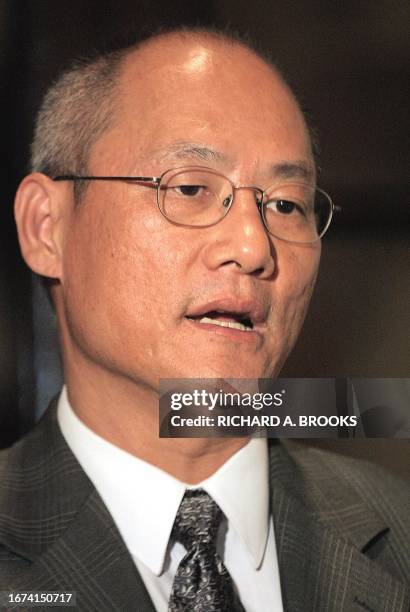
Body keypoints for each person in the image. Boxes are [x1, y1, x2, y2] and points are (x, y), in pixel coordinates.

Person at [0, 27, 409, 612]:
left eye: (286, 205)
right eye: (190, 188)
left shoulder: (398, 533)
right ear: (47, 226)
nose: (253, 246)